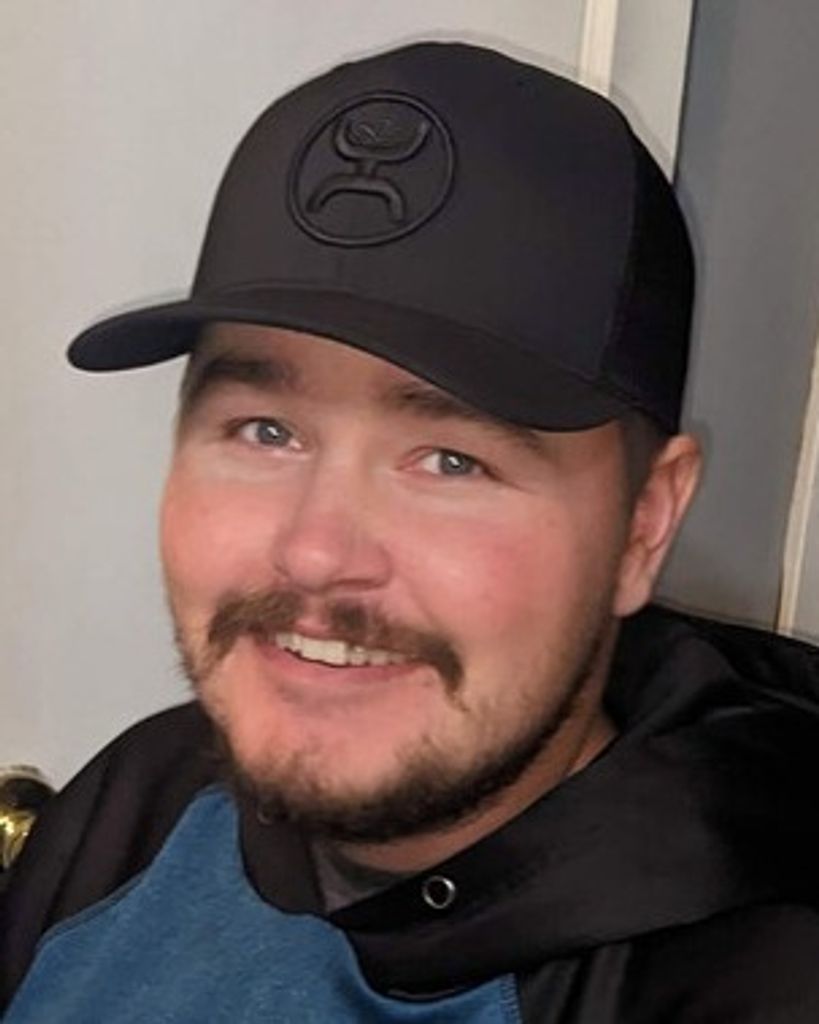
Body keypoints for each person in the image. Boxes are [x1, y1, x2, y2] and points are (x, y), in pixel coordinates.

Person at [3, 40, 819, 1023]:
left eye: (451, 460)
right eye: (265, 431)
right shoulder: (147, 796)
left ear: (644, 524)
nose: (315, 553)